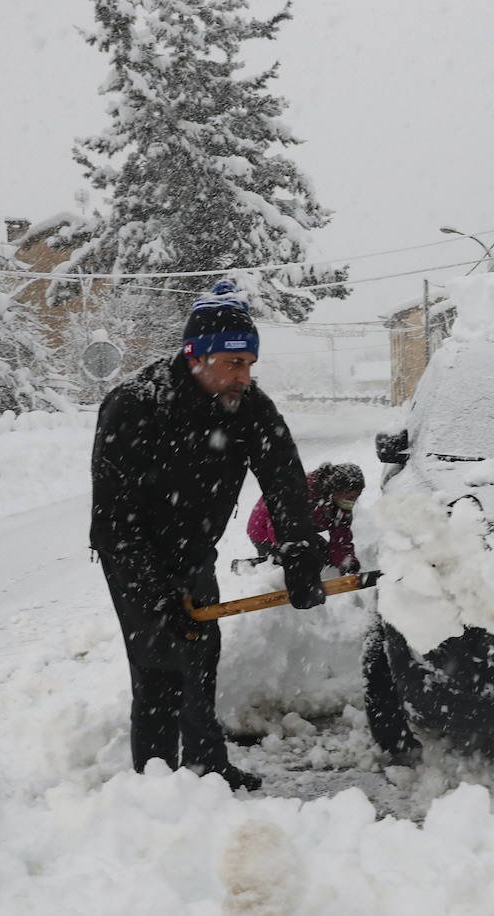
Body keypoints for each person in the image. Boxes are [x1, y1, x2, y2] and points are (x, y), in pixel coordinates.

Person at [90, 280, 328, 792]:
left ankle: (206, 766)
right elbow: (114, 521)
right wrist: (157, 596)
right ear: (195, 356)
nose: (245, 376)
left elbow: (285, 479)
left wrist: (301, 551)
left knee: (200, 652)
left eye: (249, 365)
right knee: (158, 665)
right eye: (233, 364)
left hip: (194, 550)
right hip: (133, 555)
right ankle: (155, 783)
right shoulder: (134, 405)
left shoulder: (248, 407)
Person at [248, 462, 363, 575]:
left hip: (301, 529)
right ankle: (254, 566)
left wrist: (347, 563)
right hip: (264, 532)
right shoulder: (302, 491)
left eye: (356, 498)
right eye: (350, 497)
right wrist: (292, 548)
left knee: (327, 556)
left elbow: (340, 539)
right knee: (306, 563)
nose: (352, 502)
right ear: (336, 490)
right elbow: (277, 524)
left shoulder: (341, 505)